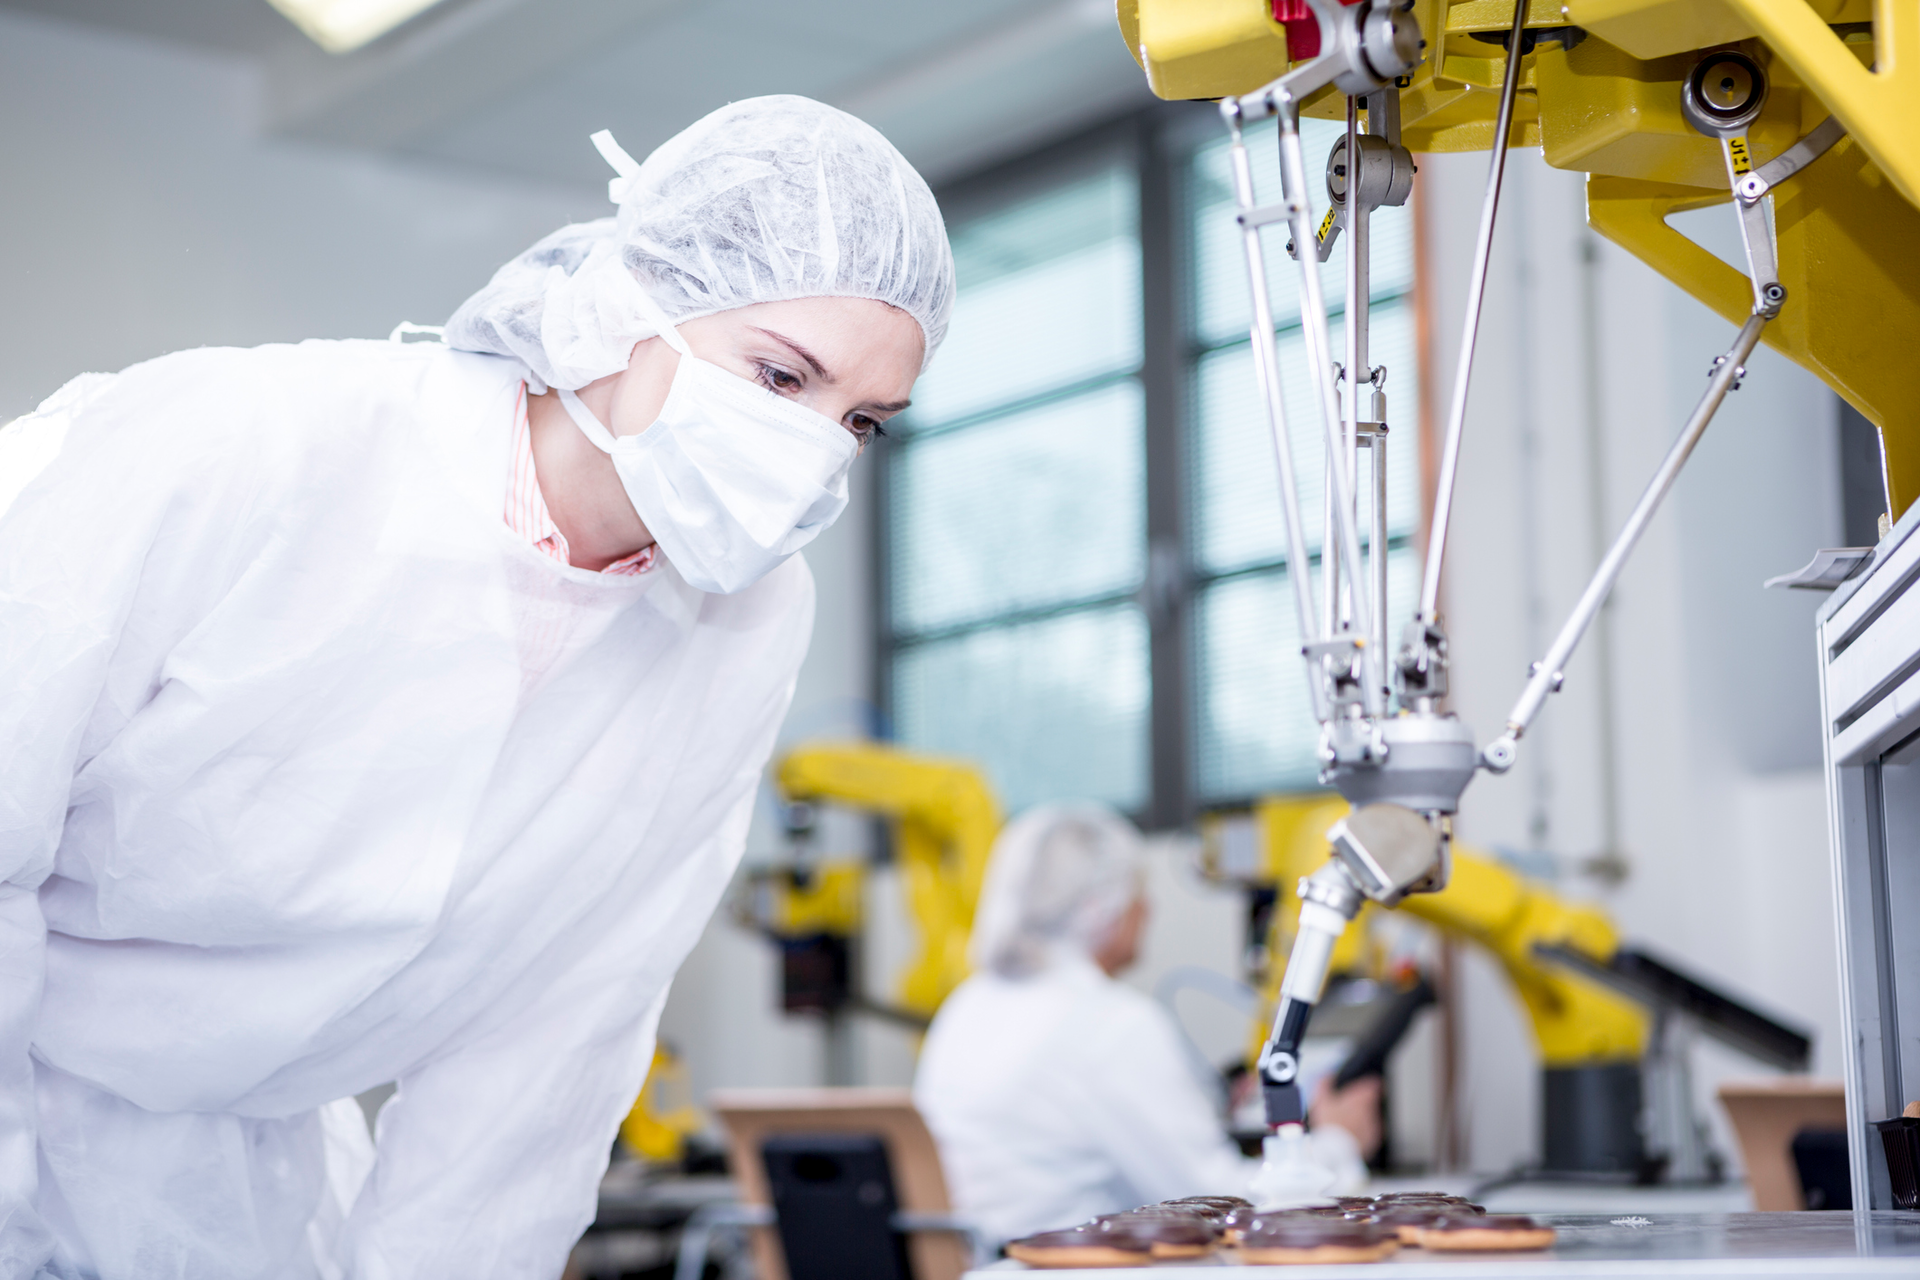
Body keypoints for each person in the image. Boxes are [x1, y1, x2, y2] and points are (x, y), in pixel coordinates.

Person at [0, 96, 951, 1278]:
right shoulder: (245, 445)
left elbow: (562, 1026)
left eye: (861, 420)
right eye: (777, 374)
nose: (813, 449)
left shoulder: (750, 621)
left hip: (248, 1177)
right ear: (625, 304)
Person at [913, 804, 1381, 1245]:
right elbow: (1225, 1206)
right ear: (1101, 907)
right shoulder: (1107, 1023)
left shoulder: (967, 1006)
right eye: (1139, 890)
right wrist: (1340, 1143)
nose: (1148, 909)